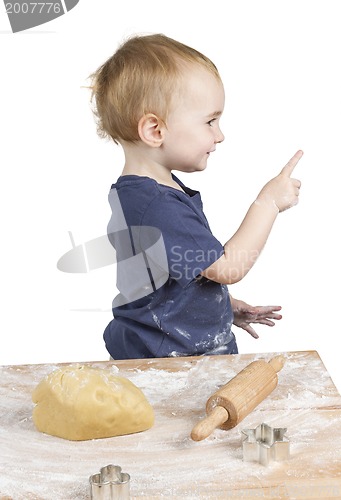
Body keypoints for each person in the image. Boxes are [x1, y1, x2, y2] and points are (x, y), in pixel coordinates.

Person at [89, 33, 303, 360]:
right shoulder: (158, 205)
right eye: (210, 121)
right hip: (172, 366)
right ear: (155, 131)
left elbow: (162, 285)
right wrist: (268, 202)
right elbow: (228, 268)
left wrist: (222, 307)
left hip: (169, 355)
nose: (219, 135)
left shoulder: (142, 197)